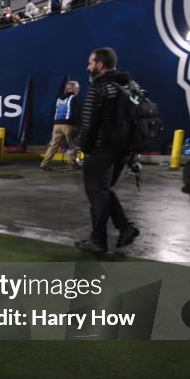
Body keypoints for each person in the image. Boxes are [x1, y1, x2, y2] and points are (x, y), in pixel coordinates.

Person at [76, 47, 139, 253]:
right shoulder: (128, 84)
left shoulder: (99, 87)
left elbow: (88, 122)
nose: (88, 67)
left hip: (102, 147)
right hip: (123, 149)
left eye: (90, 63)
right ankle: (124, 227)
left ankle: (99, 240)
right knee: (103, 191)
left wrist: (83, 147)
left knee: (96, 192)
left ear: (100, 66)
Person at [40, 81, 82, 171]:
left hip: (57, 125)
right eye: (77, 87)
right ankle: (72, 164)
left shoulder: (59, 99)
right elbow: (78, 114)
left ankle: (45, 163)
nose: (78, 89)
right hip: (69, 125)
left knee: (53, 145)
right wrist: (80, 127)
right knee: (73, 146)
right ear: (73, 88)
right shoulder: (75, 98)